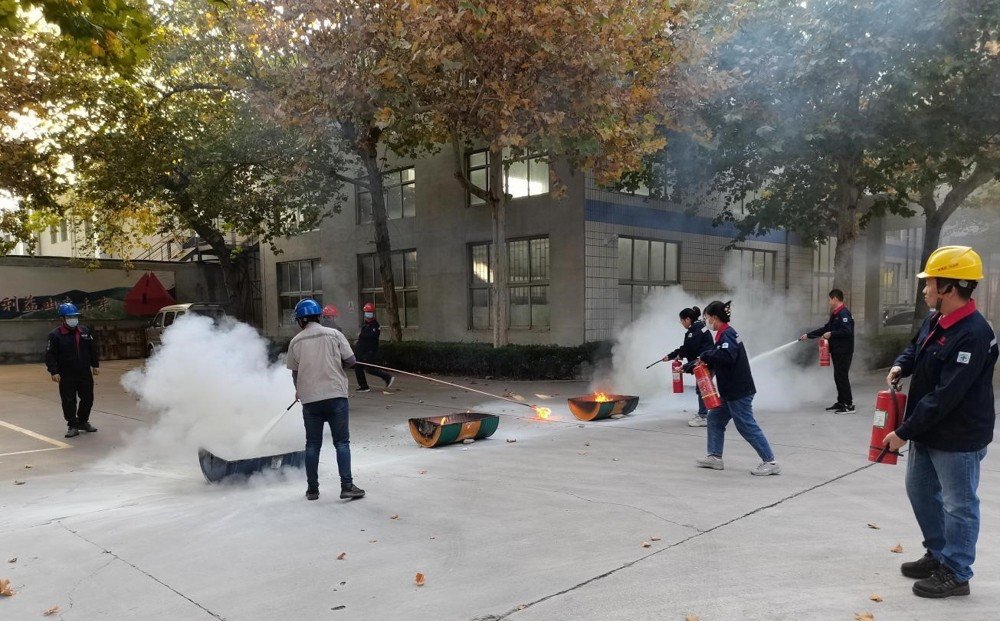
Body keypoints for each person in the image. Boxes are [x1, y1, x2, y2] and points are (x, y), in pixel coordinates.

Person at [882, 246, 997, 599]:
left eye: (929, 282)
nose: (924, 289)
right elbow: (915, 348)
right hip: (928, 429)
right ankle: (938, 553)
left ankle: (957, 572)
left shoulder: (974, 333)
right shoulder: (936, 319)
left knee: (959, 505)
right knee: (919, 490)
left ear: (948, 286)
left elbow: (946, 396)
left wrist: (903, 432)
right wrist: (901, 365)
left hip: (958, 436)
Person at [687, 300, 780, 476]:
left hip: (738, 391)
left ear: (714, 317)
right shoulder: (724, 334)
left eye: (707, 317)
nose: (706, 321)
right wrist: (694, 364)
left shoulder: (727, 334)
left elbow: (726, 356)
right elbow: (717, 356)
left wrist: (706, 356)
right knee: (715, 419)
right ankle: (715, 457)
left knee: (746, 425)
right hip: (729, 391)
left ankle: (770, 461)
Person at [285, 298, 366, 501]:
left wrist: (299, 390)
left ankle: (312, 490)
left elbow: (295, 372)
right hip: (335, 395)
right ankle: (347, 486)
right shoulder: (334, 334)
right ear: (318, 316)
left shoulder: (296, 342)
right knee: (342, 442)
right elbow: (351, 361)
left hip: (310, 399)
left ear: (301, 320)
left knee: (312, 445)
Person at [45, 303, 100, 438]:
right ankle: (73, 425)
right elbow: (50, 355)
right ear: (62, 319)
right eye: (69, 317)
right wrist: (54, 371)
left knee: (88, 398)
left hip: (84, 372)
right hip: (66, 374)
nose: (73, 319)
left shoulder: (84, 331)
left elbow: (92, 349)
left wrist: (95, 365)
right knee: (69, 400)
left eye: (75, 316)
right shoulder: (55, 335)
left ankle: (83, 421)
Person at [799, 288, 856, 413]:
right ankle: (841, 402)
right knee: (838, 376)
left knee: (842, 377)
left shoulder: (844, 313)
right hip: (837, 350)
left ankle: (848, 404)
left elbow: (847, 332)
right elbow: (826, 328)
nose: (829, 302)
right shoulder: (836, 314)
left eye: (830, 299)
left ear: (835, 299)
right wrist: (808, 335)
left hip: (844, 351)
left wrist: (831, 334)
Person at [662, 306, 715, 427]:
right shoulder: (698, 327)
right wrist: (672, 356)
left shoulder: (695, 331)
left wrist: (676, 355)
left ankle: (703, 416)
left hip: (704, 363)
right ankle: (705, 414)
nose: (682, 323)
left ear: (687, 319)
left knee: (703, 389)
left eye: (682, 321)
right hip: (705, 362)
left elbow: (689, 348)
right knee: (703, 388)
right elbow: (687, 348)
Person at [354, 302, 394, 392]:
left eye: (370, 312)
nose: (368, 314)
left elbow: (372, 336)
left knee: (369, 369)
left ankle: (386, 377)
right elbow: (363, 337)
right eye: (367, 312)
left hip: (370, 351)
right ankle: (364, 386)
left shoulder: (375, 325)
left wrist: (361, 335)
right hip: (363, 351)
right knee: (359, 367)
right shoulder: (365, 324)